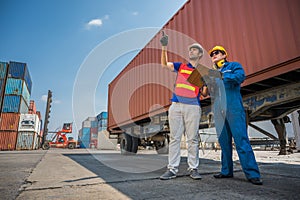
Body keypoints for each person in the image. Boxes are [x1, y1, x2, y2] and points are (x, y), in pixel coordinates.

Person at [208, 45, 263, 185]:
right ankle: (226, 171)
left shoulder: (233, 66)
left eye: (217, 52)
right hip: (218, 110)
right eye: (212, 54)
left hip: (233, 107)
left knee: (241, 140)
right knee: (224, 143)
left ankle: (252, 174)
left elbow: (240, 77)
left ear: (224, 55)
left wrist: (222, 75)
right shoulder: (211, 74)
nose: (214, 55)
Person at [159, 31, 208, 180]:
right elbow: (163, 64)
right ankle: (172, 169)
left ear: (199, 54)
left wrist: (210, 83)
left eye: (194, 49)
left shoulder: (202, 72)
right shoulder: (181, 67)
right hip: (176, 105)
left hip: (193, 107)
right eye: (190, 50)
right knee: (175, 138)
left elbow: (205, 93)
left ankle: (193, 169)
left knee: (192, 139)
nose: (190, 51)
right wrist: (164, 46)